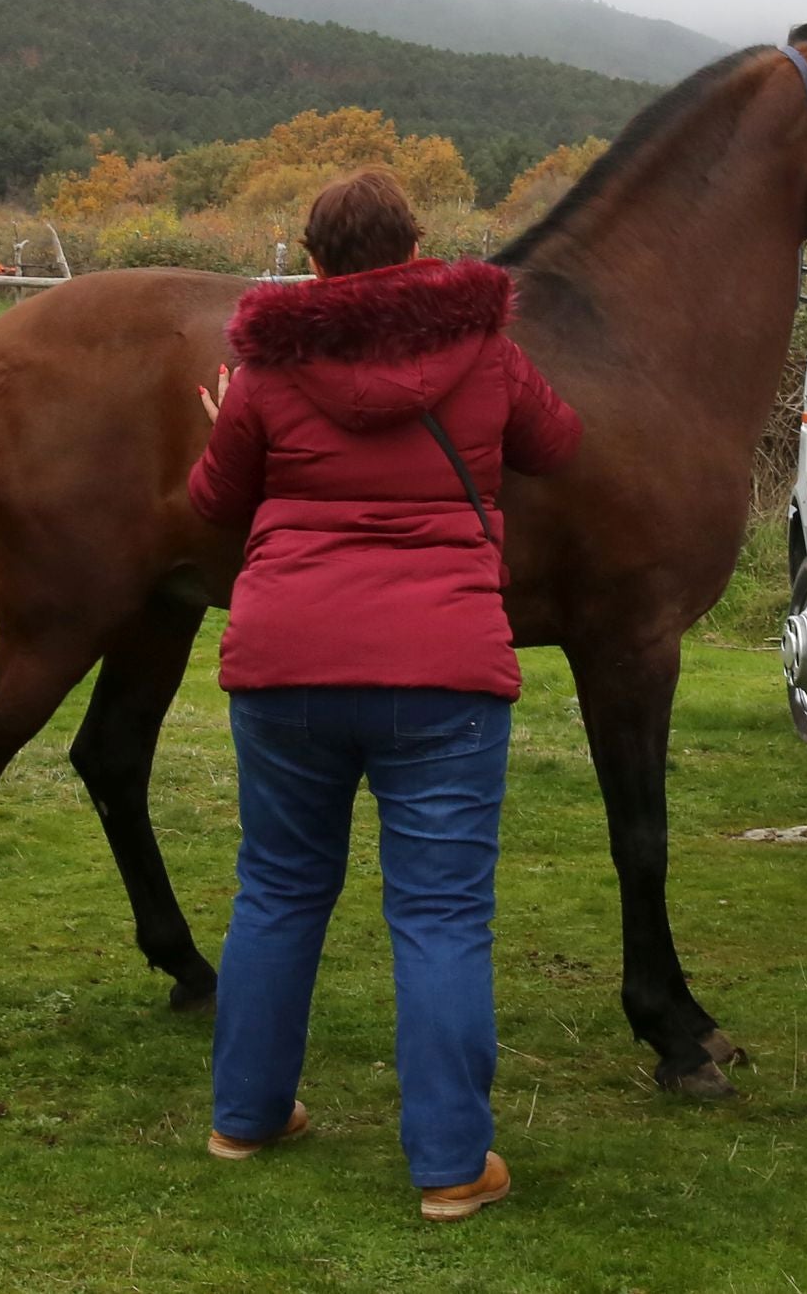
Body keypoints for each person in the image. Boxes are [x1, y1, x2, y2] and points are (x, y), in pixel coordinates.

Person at [187, 168, 581, 1222]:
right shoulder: (487, 349)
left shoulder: (264, 365)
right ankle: (452, 1165)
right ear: (415, 252)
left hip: (285, 663)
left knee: (275, 887)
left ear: (311, 261)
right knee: (443, 912)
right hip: (443, 667)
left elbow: (214, 502)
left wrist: (226, 420)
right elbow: (559, 445)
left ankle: (247, 1115)